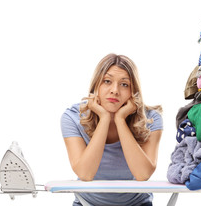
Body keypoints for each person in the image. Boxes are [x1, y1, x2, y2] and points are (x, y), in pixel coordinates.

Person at [61, 53, 163, 206]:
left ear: (133, 91)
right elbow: (85, 173)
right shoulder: (72, 117)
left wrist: (120, 119)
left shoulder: (151, 119)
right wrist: (104, 118)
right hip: (87, 203)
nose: (115, 90)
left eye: (124, 84)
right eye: (107, 81)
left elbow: (143, 174)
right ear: (96, 85)